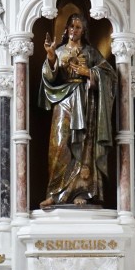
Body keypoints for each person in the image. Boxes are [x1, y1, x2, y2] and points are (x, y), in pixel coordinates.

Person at [38, 12, 117, 208]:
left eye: (78, 27)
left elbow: (111, 76)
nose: (74, 30)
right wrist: (50, 56)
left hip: (85, 102)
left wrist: (88, 72)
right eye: (71, 26)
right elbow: (49, 78)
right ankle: (55, 193)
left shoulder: (91, 52)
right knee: (59, 145)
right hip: (63, 101)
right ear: (66, 29)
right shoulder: (59, 51)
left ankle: (81, 191)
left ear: (83, 31)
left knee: (84, 144)